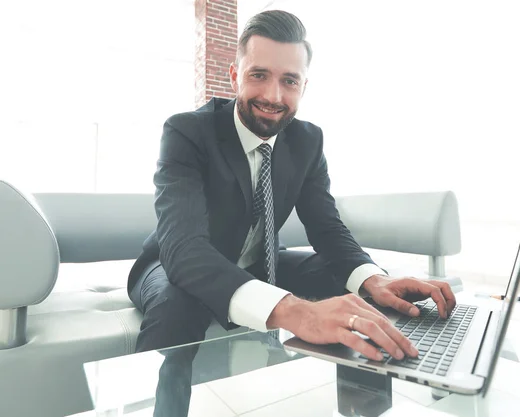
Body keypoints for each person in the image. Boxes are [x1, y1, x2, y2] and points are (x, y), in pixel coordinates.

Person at [128, 9, 456, 364]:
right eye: (259, 75)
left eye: (289, 81)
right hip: (172, 264)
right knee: (178, 304)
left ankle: (389, 378)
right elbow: (186, 251)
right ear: (235, 75)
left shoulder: (307, 140)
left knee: (357, 285)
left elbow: (326, 227)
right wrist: (297, 312)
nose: (274, 96)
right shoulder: (187, 133)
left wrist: (374, 279)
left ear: (303, 86)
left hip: (259, 266)